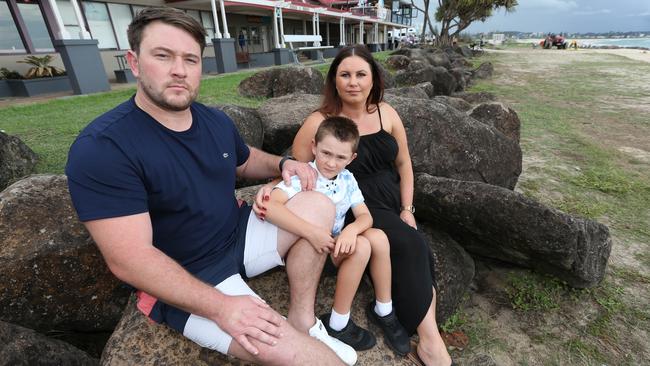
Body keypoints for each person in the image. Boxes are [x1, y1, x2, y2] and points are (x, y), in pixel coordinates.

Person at [65, 7, 355, 366]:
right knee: (312, 360)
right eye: (162, 56)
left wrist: (283, 164)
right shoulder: (104, 148)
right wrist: (223, 309)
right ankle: (285, 332)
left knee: (320, 206)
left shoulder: (214, 120)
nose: (179, 70)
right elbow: (129, 260)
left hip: (236, 234)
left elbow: (243, 158)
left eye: (191, 59)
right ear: (134, 62)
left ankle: (302, 318)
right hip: (188, 273)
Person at [289, 44, 453, 366]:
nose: (353, 82)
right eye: (345, 74)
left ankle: (404, 320)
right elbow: (296, 164)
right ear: (334, 81)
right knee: (413, 245)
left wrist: (408, 209)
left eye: (361, 74)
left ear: (373, 78)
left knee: (414, 243)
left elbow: (404, 164)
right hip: (356, 204)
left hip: (391, 204)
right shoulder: (319, 120)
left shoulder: (386, 112)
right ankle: (431, 342)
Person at [265, 116, 410, 354]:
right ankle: (338, 323)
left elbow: (365, 216)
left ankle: (384, 309)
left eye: (340, 157)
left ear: (352, 158)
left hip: (332, 248)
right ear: (314, 147)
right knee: (362, 247)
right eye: (326, 153)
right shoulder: (304, 175)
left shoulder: (347, 179)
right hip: (307, 251)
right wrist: (312, 232)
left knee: (378, 238)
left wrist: (351, 230)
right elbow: (271, 206)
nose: (331, 163)